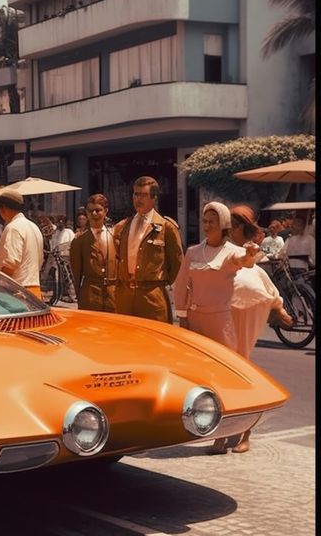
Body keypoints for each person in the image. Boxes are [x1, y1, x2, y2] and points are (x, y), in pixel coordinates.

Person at [204, 204, 293, 455]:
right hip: (224, 316)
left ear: (242, 228)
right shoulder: (221, 252)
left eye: (232, 225)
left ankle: (245, 433)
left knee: (242, 374)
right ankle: (223, 434)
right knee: (223, 375)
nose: (228, 230)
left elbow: (262, 284)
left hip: (245, 318)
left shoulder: (248, 254)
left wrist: (279, 308)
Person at [173, 201, 261, 349]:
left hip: (219, 322)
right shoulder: (193, 252)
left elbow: (244, 261)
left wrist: (249, 254)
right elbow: (181, 286)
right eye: (205, 221)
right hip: (194, 320)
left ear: (223, 224)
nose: (207, 226)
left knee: (221, 363)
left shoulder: (232, 251)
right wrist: (182, 317)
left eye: (212, 222)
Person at [113, 176, 184, 323]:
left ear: (154, 198)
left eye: (143, 195)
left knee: (154, 341)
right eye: (136, 194)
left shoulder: (166, 227)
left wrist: (157, 282)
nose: (138, 199)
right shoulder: (123, 226)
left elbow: (177, 262)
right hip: (125, 296)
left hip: (151, 296)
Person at [0, 188, 45, 299]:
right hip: (33, 290)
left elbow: (11, 264)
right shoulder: (33, 227)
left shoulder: (13, 228)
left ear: (3, 208)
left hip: (18, 292)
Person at [69, 194, 117, 312]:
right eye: (90, 211)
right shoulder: (79, 240)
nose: (94, 214)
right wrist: (81, 297)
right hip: (90, 296)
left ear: (105, 211)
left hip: (113, 296)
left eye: (98, 210)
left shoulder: (115, 237)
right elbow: (76, 274)